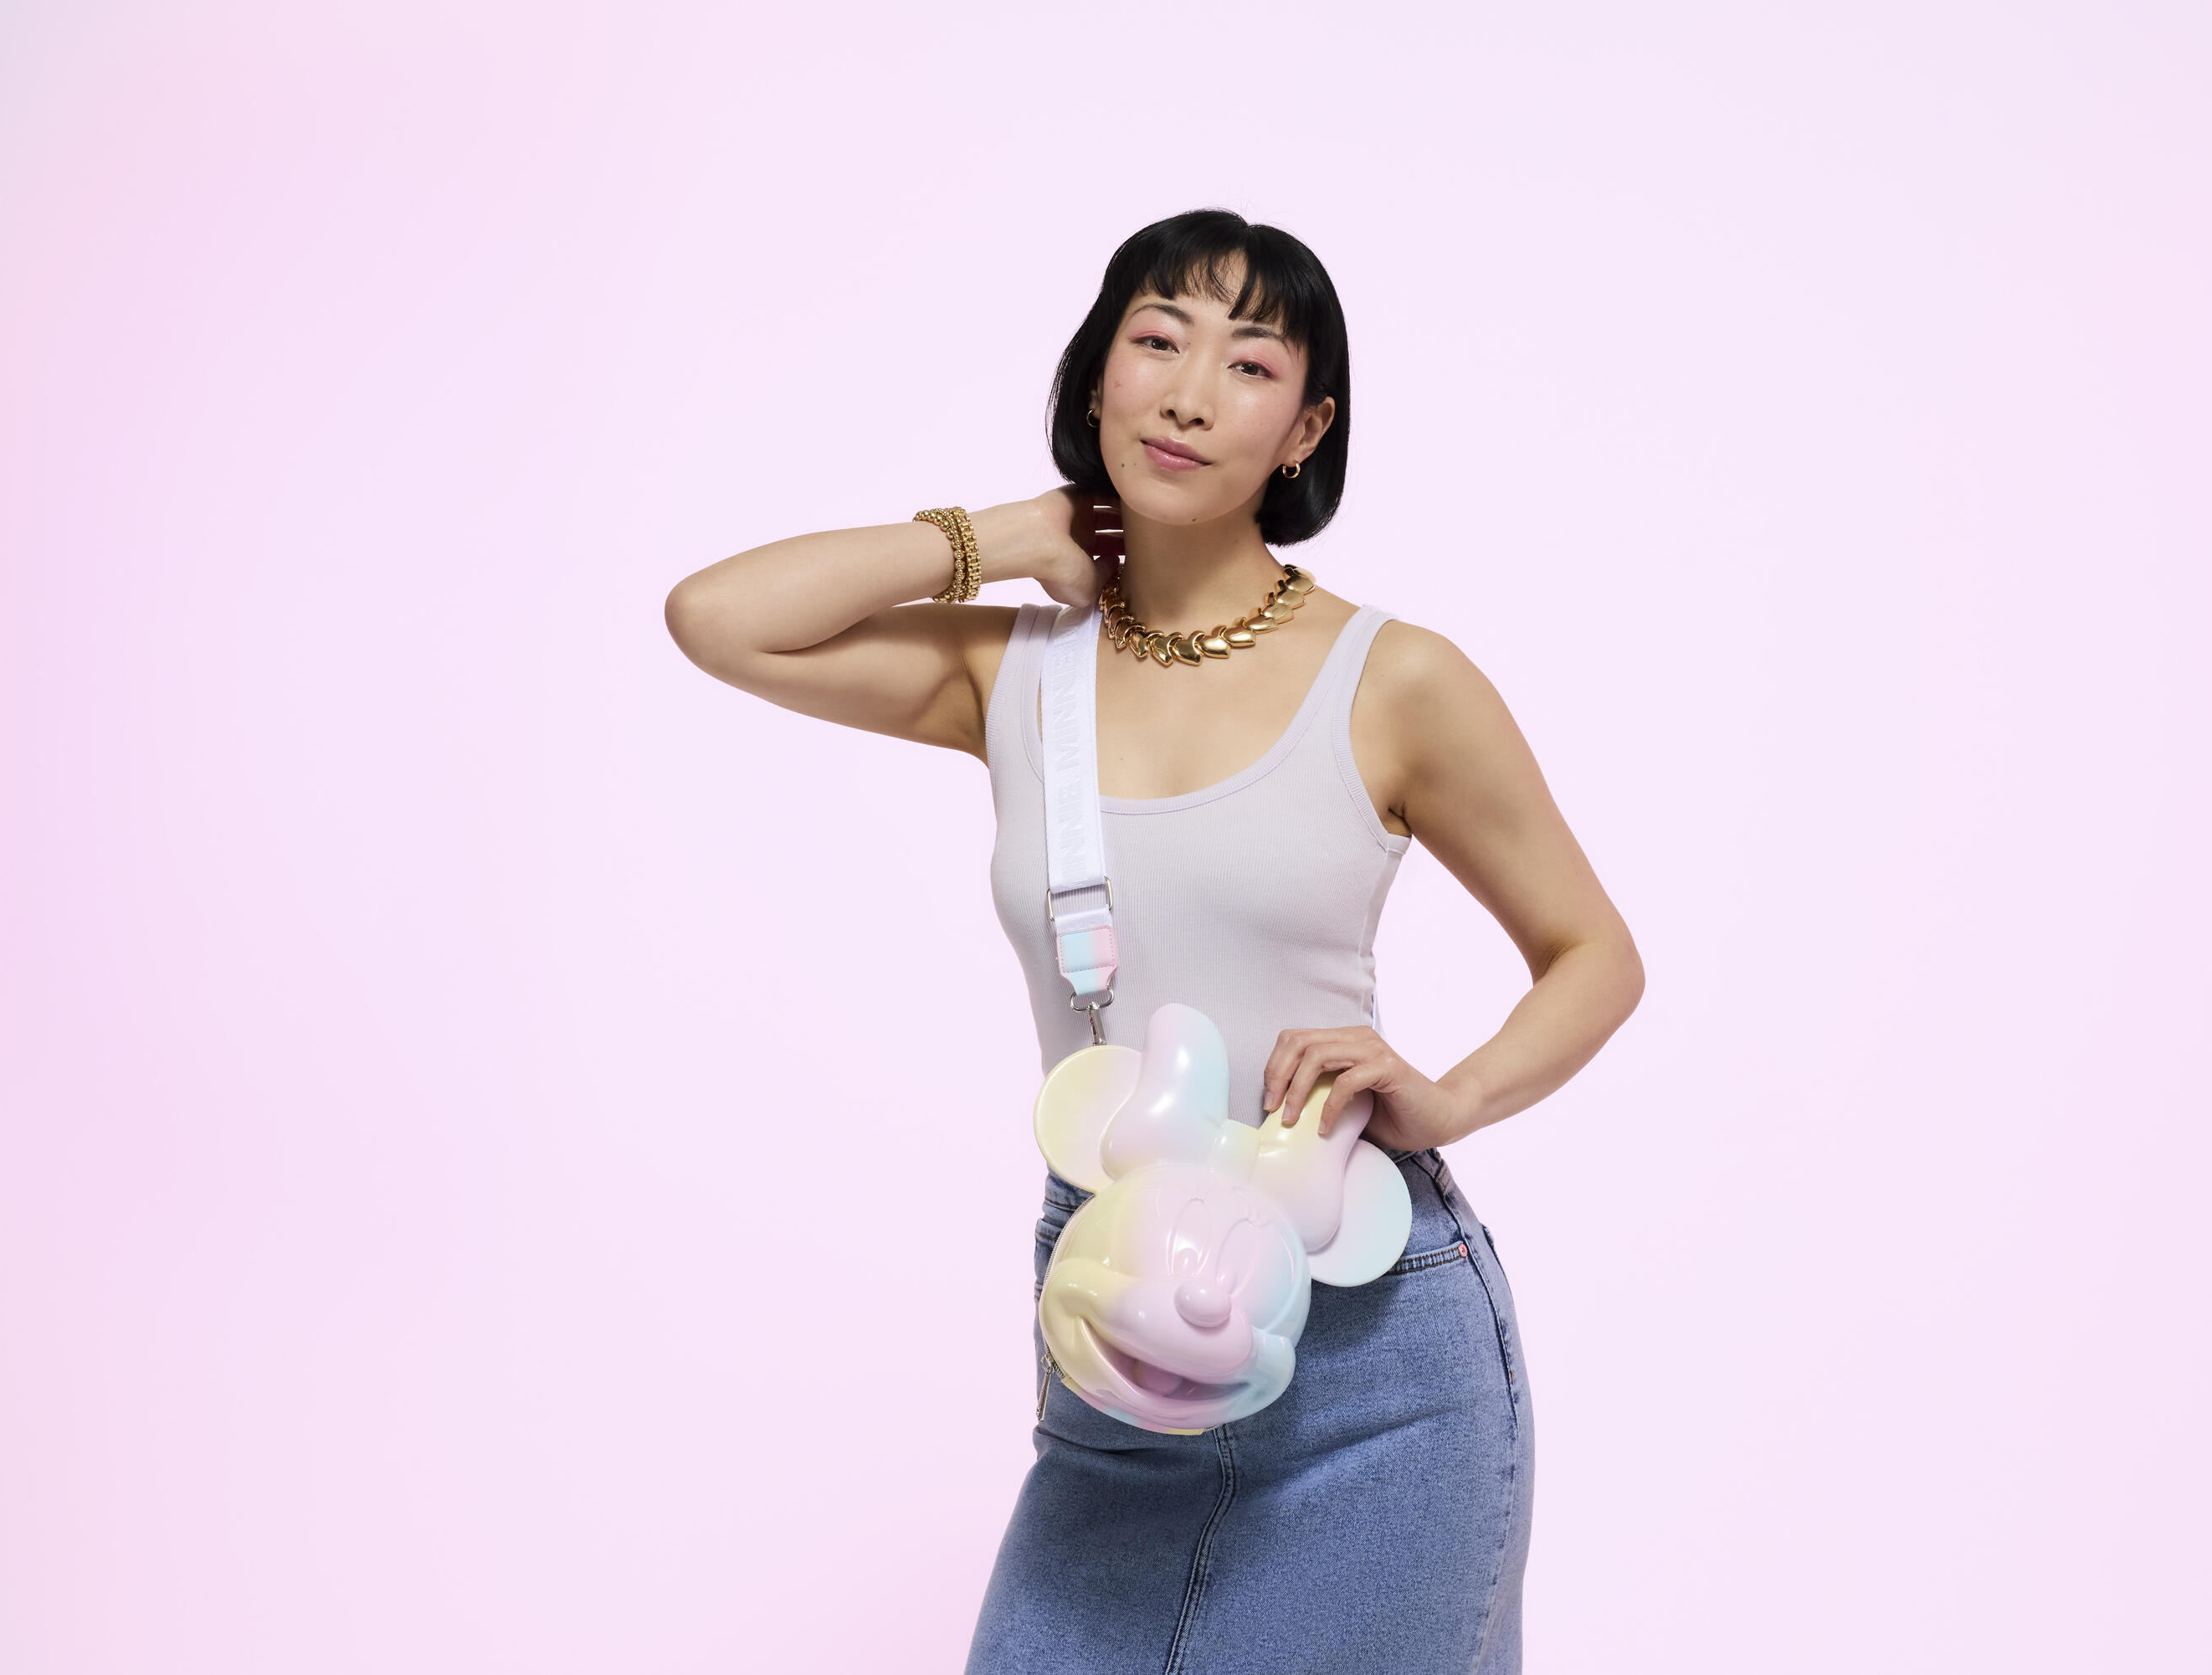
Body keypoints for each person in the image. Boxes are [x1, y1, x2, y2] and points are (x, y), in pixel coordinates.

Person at [664, 208, 1644, 1673]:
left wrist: (1449, 1096)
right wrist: (1003, 538)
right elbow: (718, 618)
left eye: (1249, 364)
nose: (1189, 394)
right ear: (1097, 373)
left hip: (1366, 1344)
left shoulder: (1396, 679)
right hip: (1115, 1313)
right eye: (1157, 340)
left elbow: (1594, 952)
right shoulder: (1016, 674)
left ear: (1306, 429)